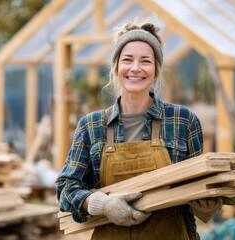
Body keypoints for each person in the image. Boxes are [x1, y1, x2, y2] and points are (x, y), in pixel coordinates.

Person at [56, 19, 223, 240]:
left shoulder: (183, 121)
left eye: (145, 61)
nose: (136, 68)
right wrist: (102, 205)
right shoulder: (92, 125)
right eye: (127, 60)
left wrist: (207, 204)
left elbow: (198, 190)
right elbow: (66, 188)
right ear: (116, 67)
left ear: (156, 69)